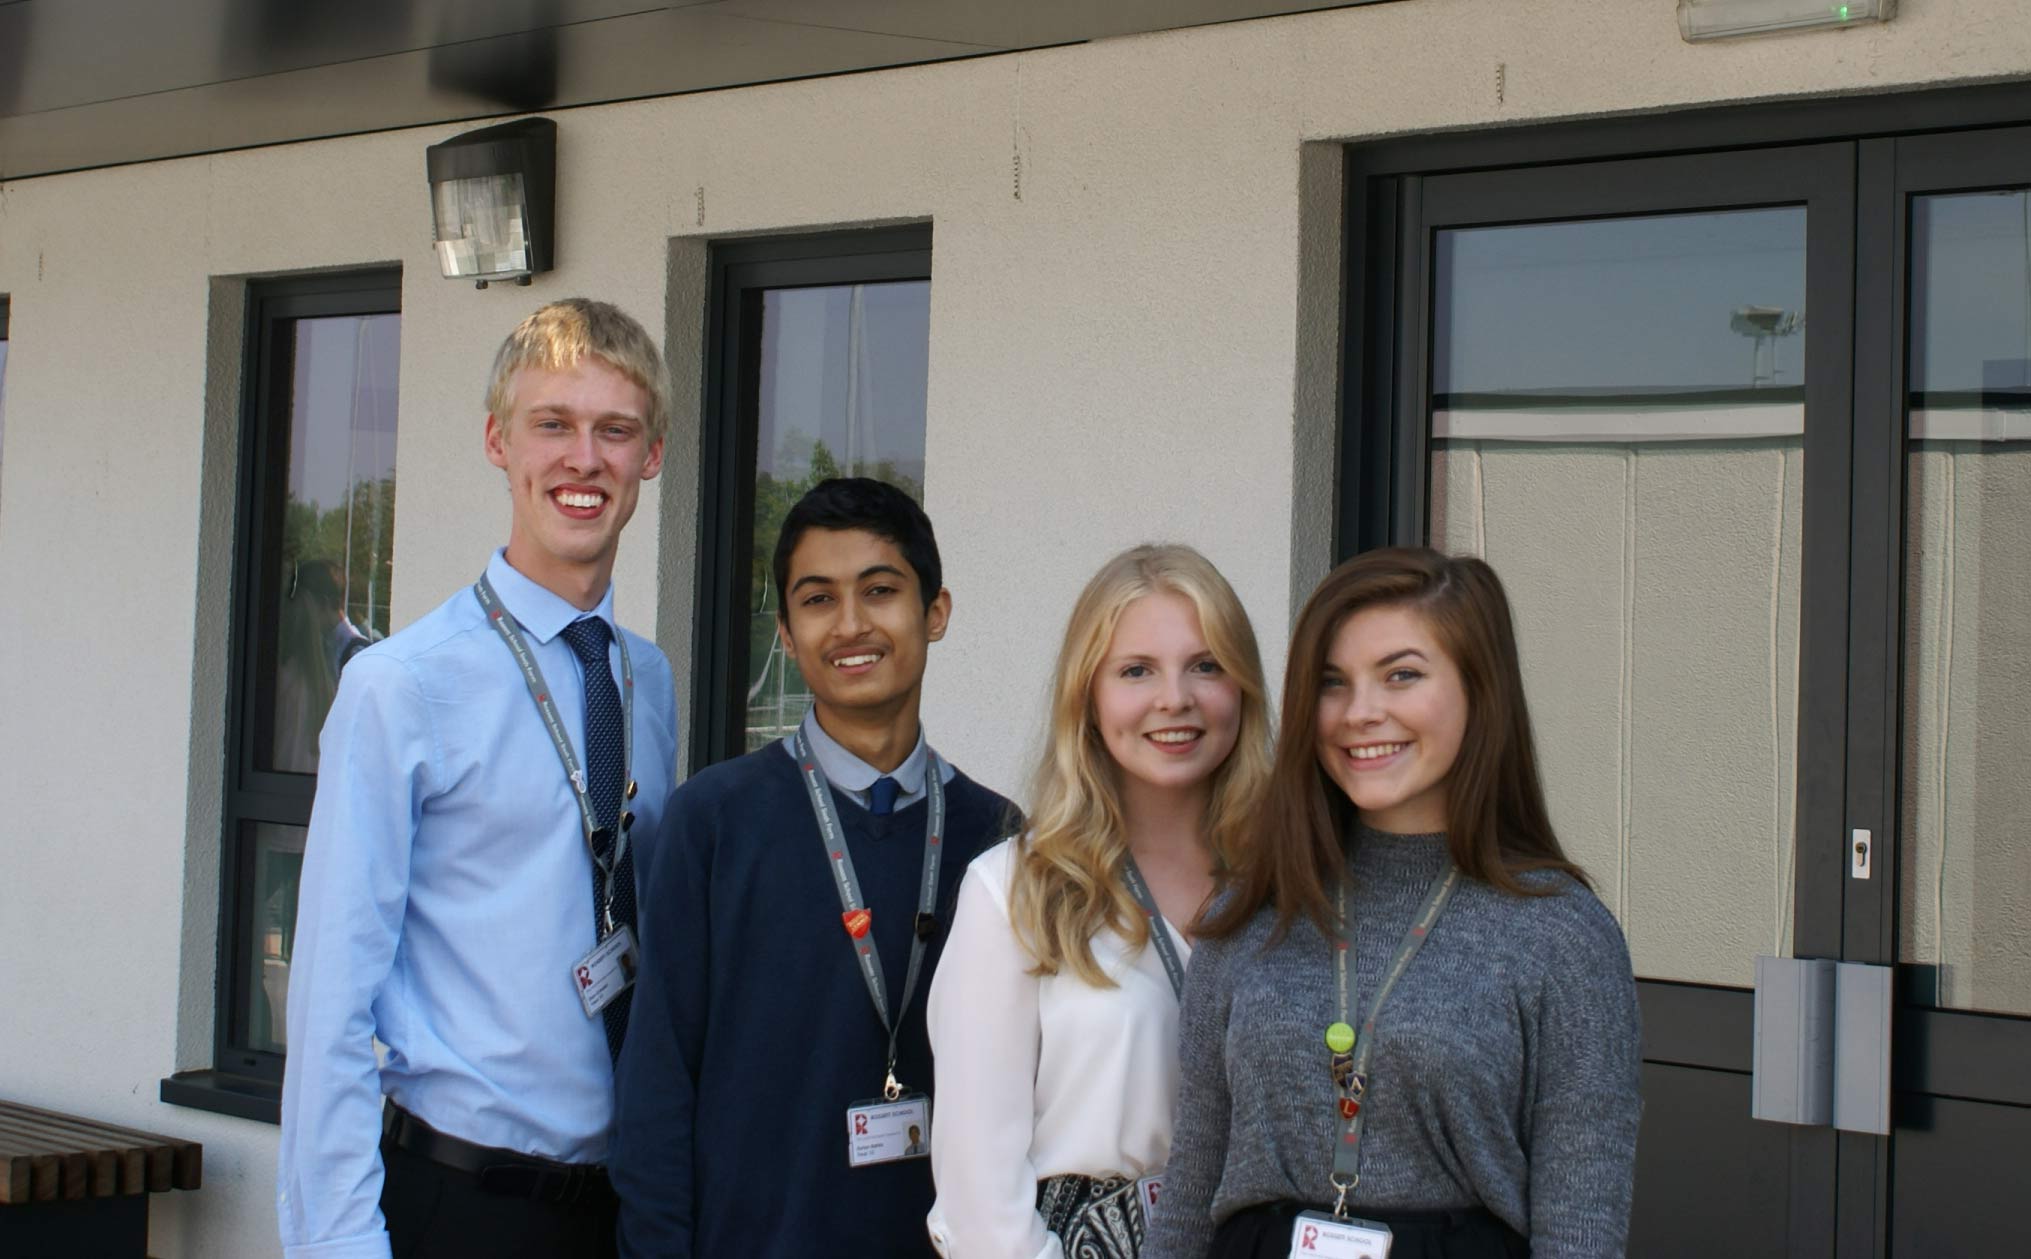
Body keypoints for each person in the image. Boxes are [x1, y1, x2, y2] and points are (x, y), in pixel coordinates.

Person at [277, 298, 680, 1259]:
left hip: (622, 1210)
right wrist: (336, 1244)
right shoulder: (398, 686)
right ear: (498, 441)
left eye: (614, 430)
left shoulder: (645, 678)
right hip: (462, 1204)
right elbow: (331, 998)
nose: (584, 459)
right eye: (553, 424)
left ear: (650, 457)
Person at [1143, 548, 1641, 1259]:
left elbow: (1581, 1227)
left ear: (1480, 688)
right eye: (1331, 683)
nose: (1360, 713)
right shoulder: (1251, 904)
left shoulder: (1560, 933)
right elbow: (1192, 1182)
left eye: (1401, 675)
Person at [612, 477, 1015, 1259]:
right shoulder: (714, 822)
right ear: (788, 636)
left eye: (880, 590)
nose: (852, 623)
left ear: (935, 612)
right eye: (818, 599)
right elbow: (656, 1092)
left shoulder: (1000, 841)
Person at [926, 544, 1273, 1259]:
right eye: (1136, 670)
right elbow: (978, 1199)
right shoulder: (1013, 892)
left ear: (1243, 686)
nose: (1173, 697)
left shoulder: (1292, 888)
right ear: (1086, 695)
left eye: (1205, 665)